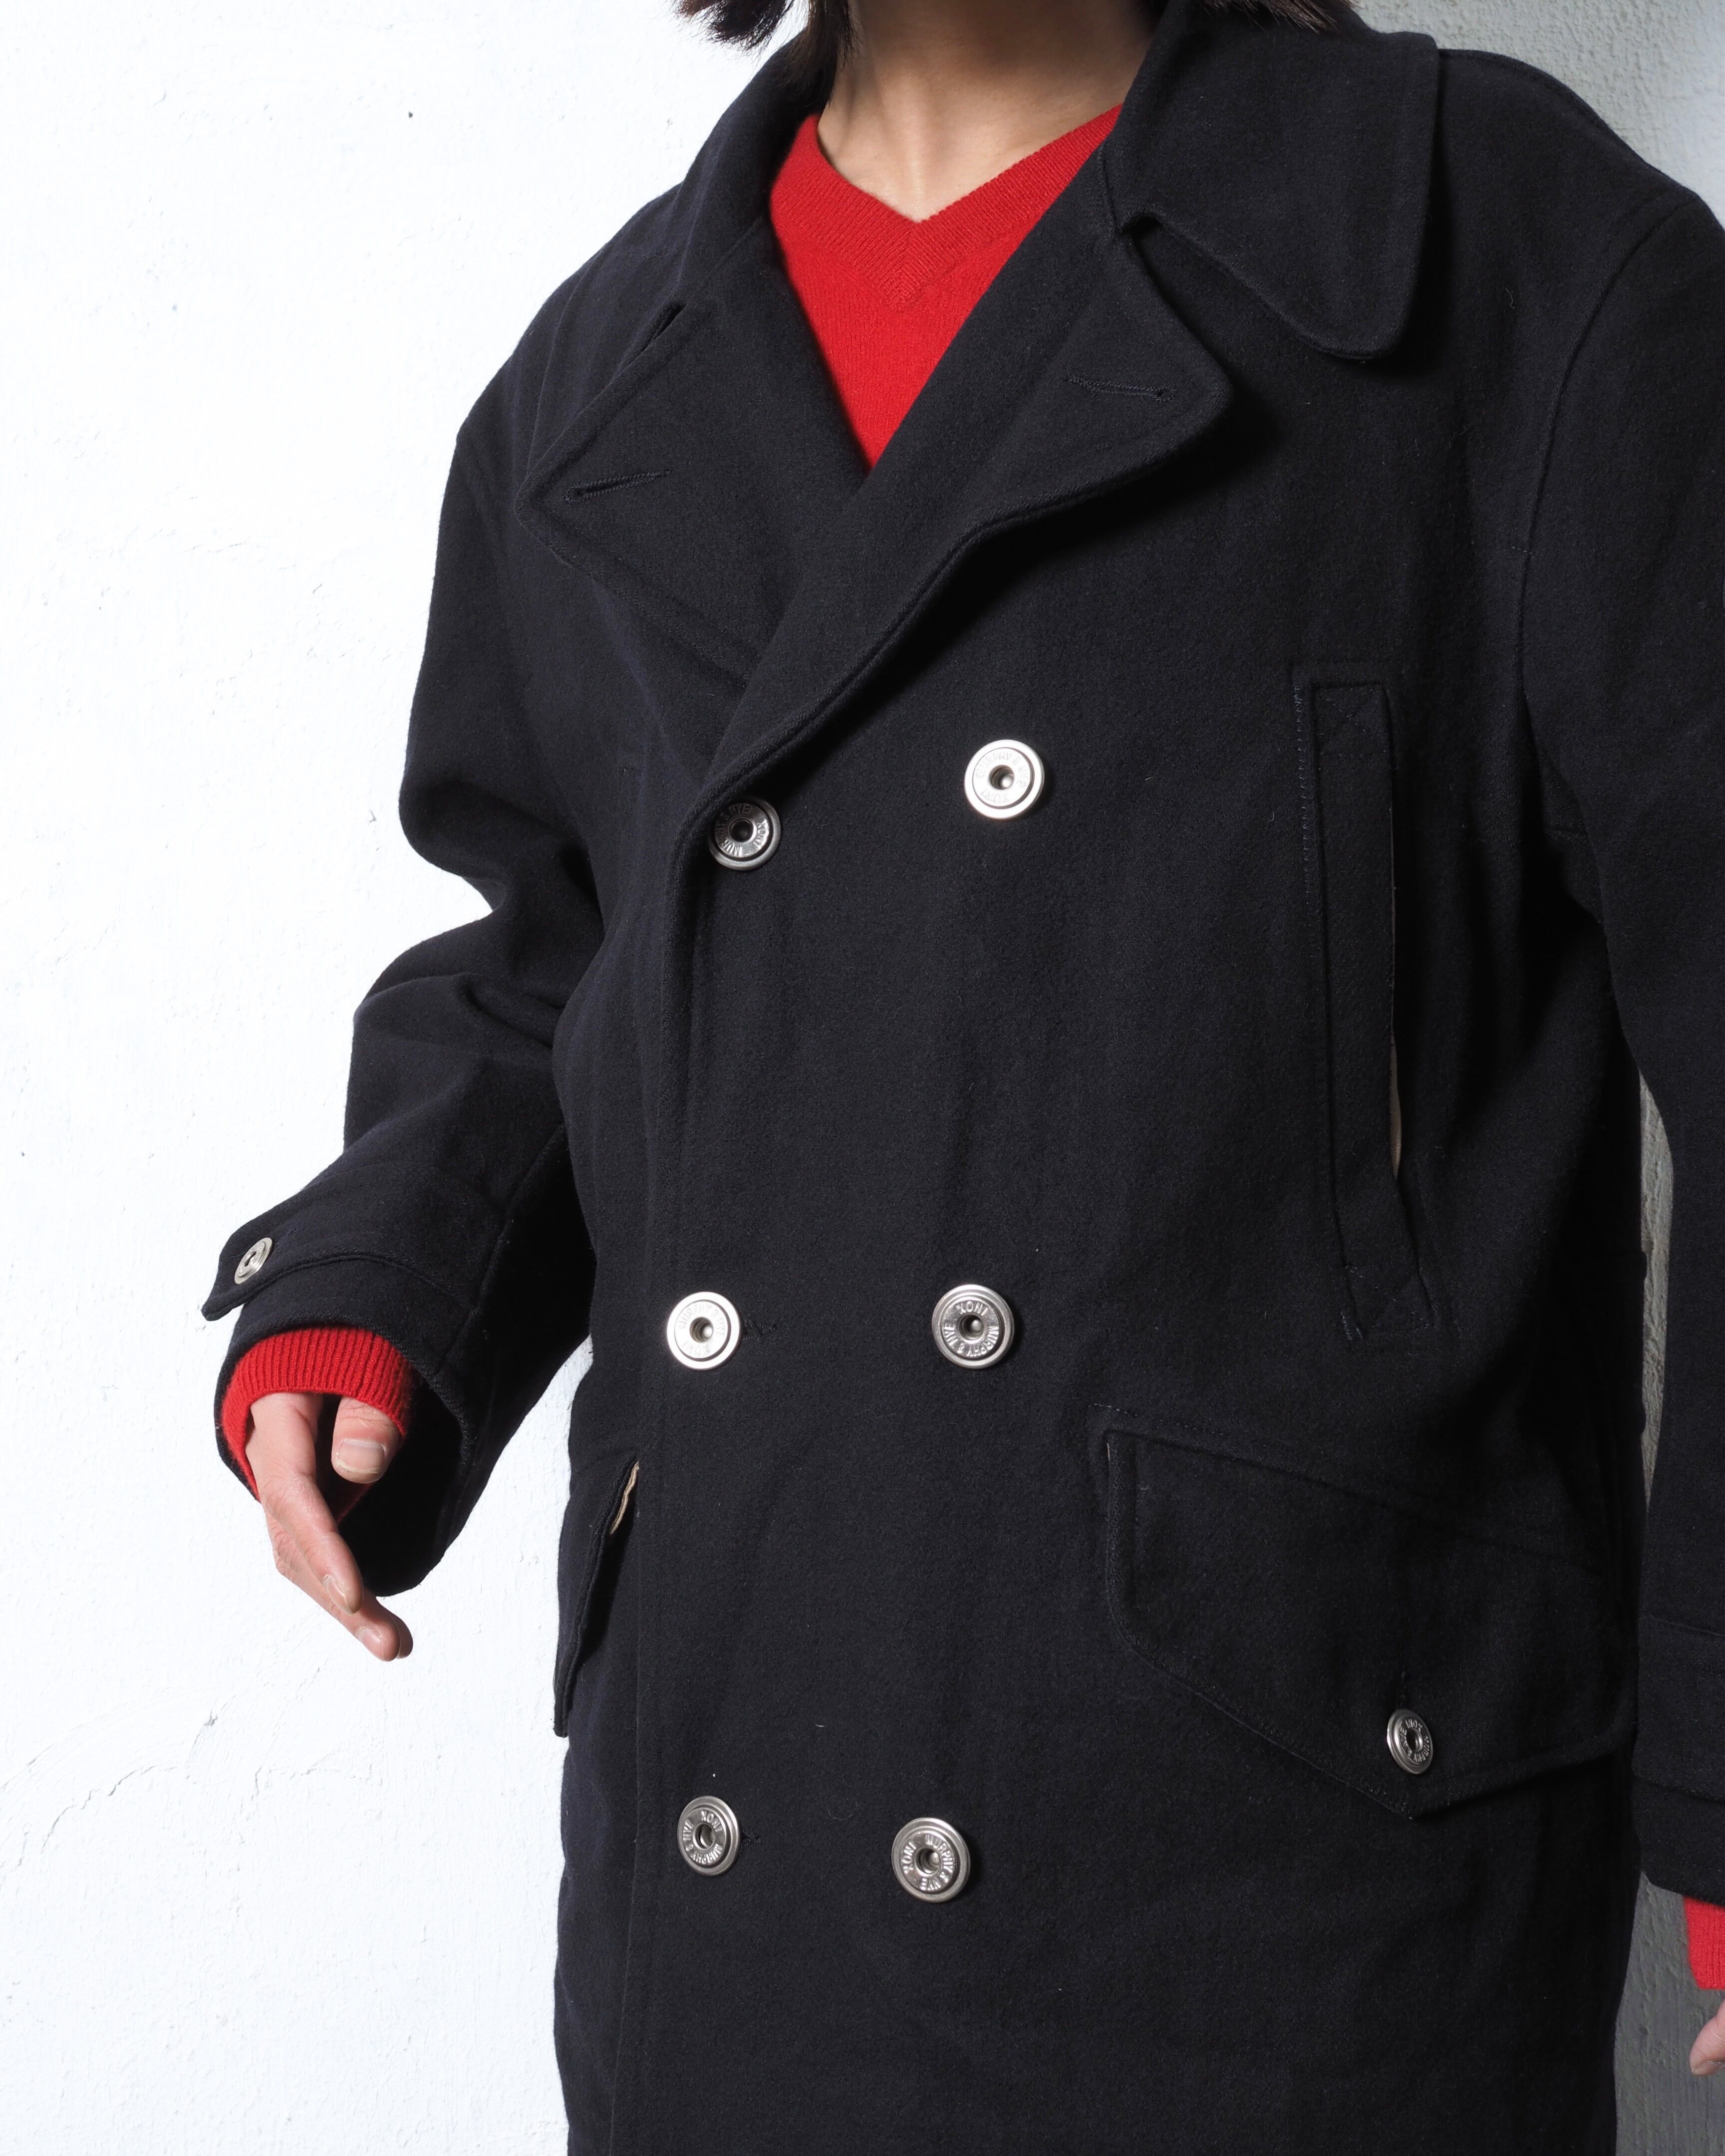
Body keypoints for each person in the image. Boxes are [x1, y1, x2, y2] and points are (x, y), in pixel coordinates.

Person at [204, 0, 1725, 2145]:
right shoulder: (596, 376)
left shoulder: (1513, 257)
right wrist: (380, 1289)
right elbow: (561, 962)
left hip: (1292, 1890)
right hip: (740, 1850)